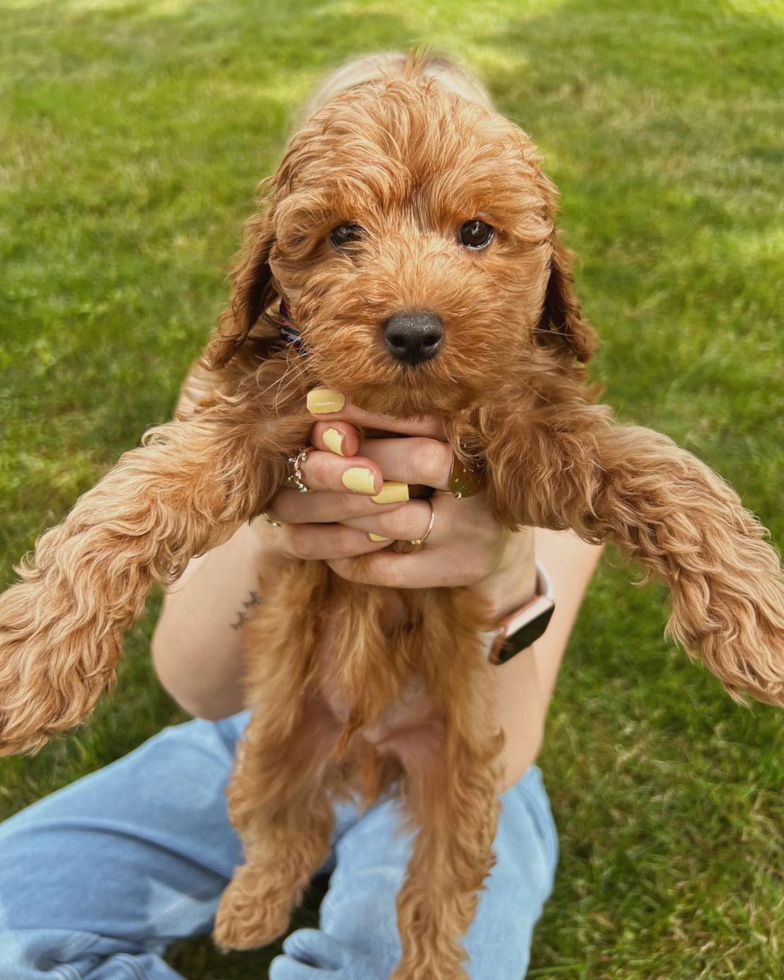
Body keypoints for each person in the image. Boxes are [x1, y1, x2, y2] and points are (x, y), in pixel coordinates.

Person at [0, 390, 602, 979]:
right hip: (276, 712)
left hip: (471, 744)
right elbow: (199, 691)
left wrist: (506, 576)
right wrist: (270, 527)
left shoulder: (543, 412)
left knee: (425, 950)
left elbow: (508, 758)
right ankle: (277, 855)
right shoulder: (251, 377)